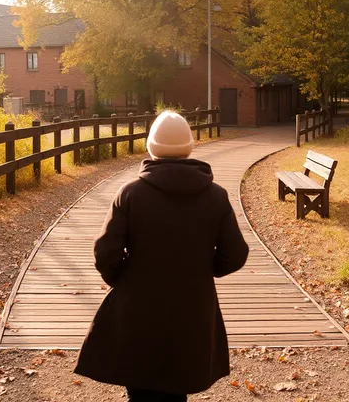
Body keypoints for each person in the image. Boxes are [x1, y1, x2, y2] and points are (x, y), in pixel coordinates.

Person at [74, 110, 249, 401]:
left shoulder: (130, 194)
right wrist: (205, 269)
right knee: (177, 384)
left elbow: (105, 252)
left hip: (138, 306)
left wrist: (123, 278)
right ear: (190, 146)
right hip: (193, 305)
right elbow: (236, 254)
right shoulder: (216, 196)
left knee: (140, 386)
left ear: (151, 147)